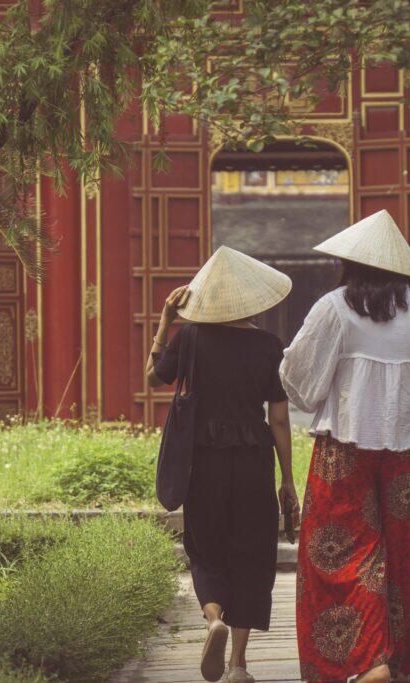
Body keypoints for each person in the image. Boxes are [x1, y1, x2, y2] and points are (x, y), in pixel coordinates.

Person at [280, 210, 410, 683]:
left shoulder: (335, 307)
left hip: (344, 450)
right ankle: (398, 665)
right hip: (408, 450)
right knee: (402, 555)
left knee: (335, 554)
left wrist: (336, 390)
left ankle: (366, 661)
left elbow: (298, 377)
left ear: (352, 262)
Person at [147, 246, 301, 683]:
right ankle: (238, 664)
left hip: (205, 461)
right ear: (252, 298)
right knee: (251, 555)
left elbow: (152, 377)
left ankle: (212, 616)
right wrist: (287, 480)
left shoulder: (192, 337)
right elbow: (279, 417)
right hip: (253, 462)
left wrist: (165, 322)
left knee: (206, 546)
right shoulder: (270, 346)